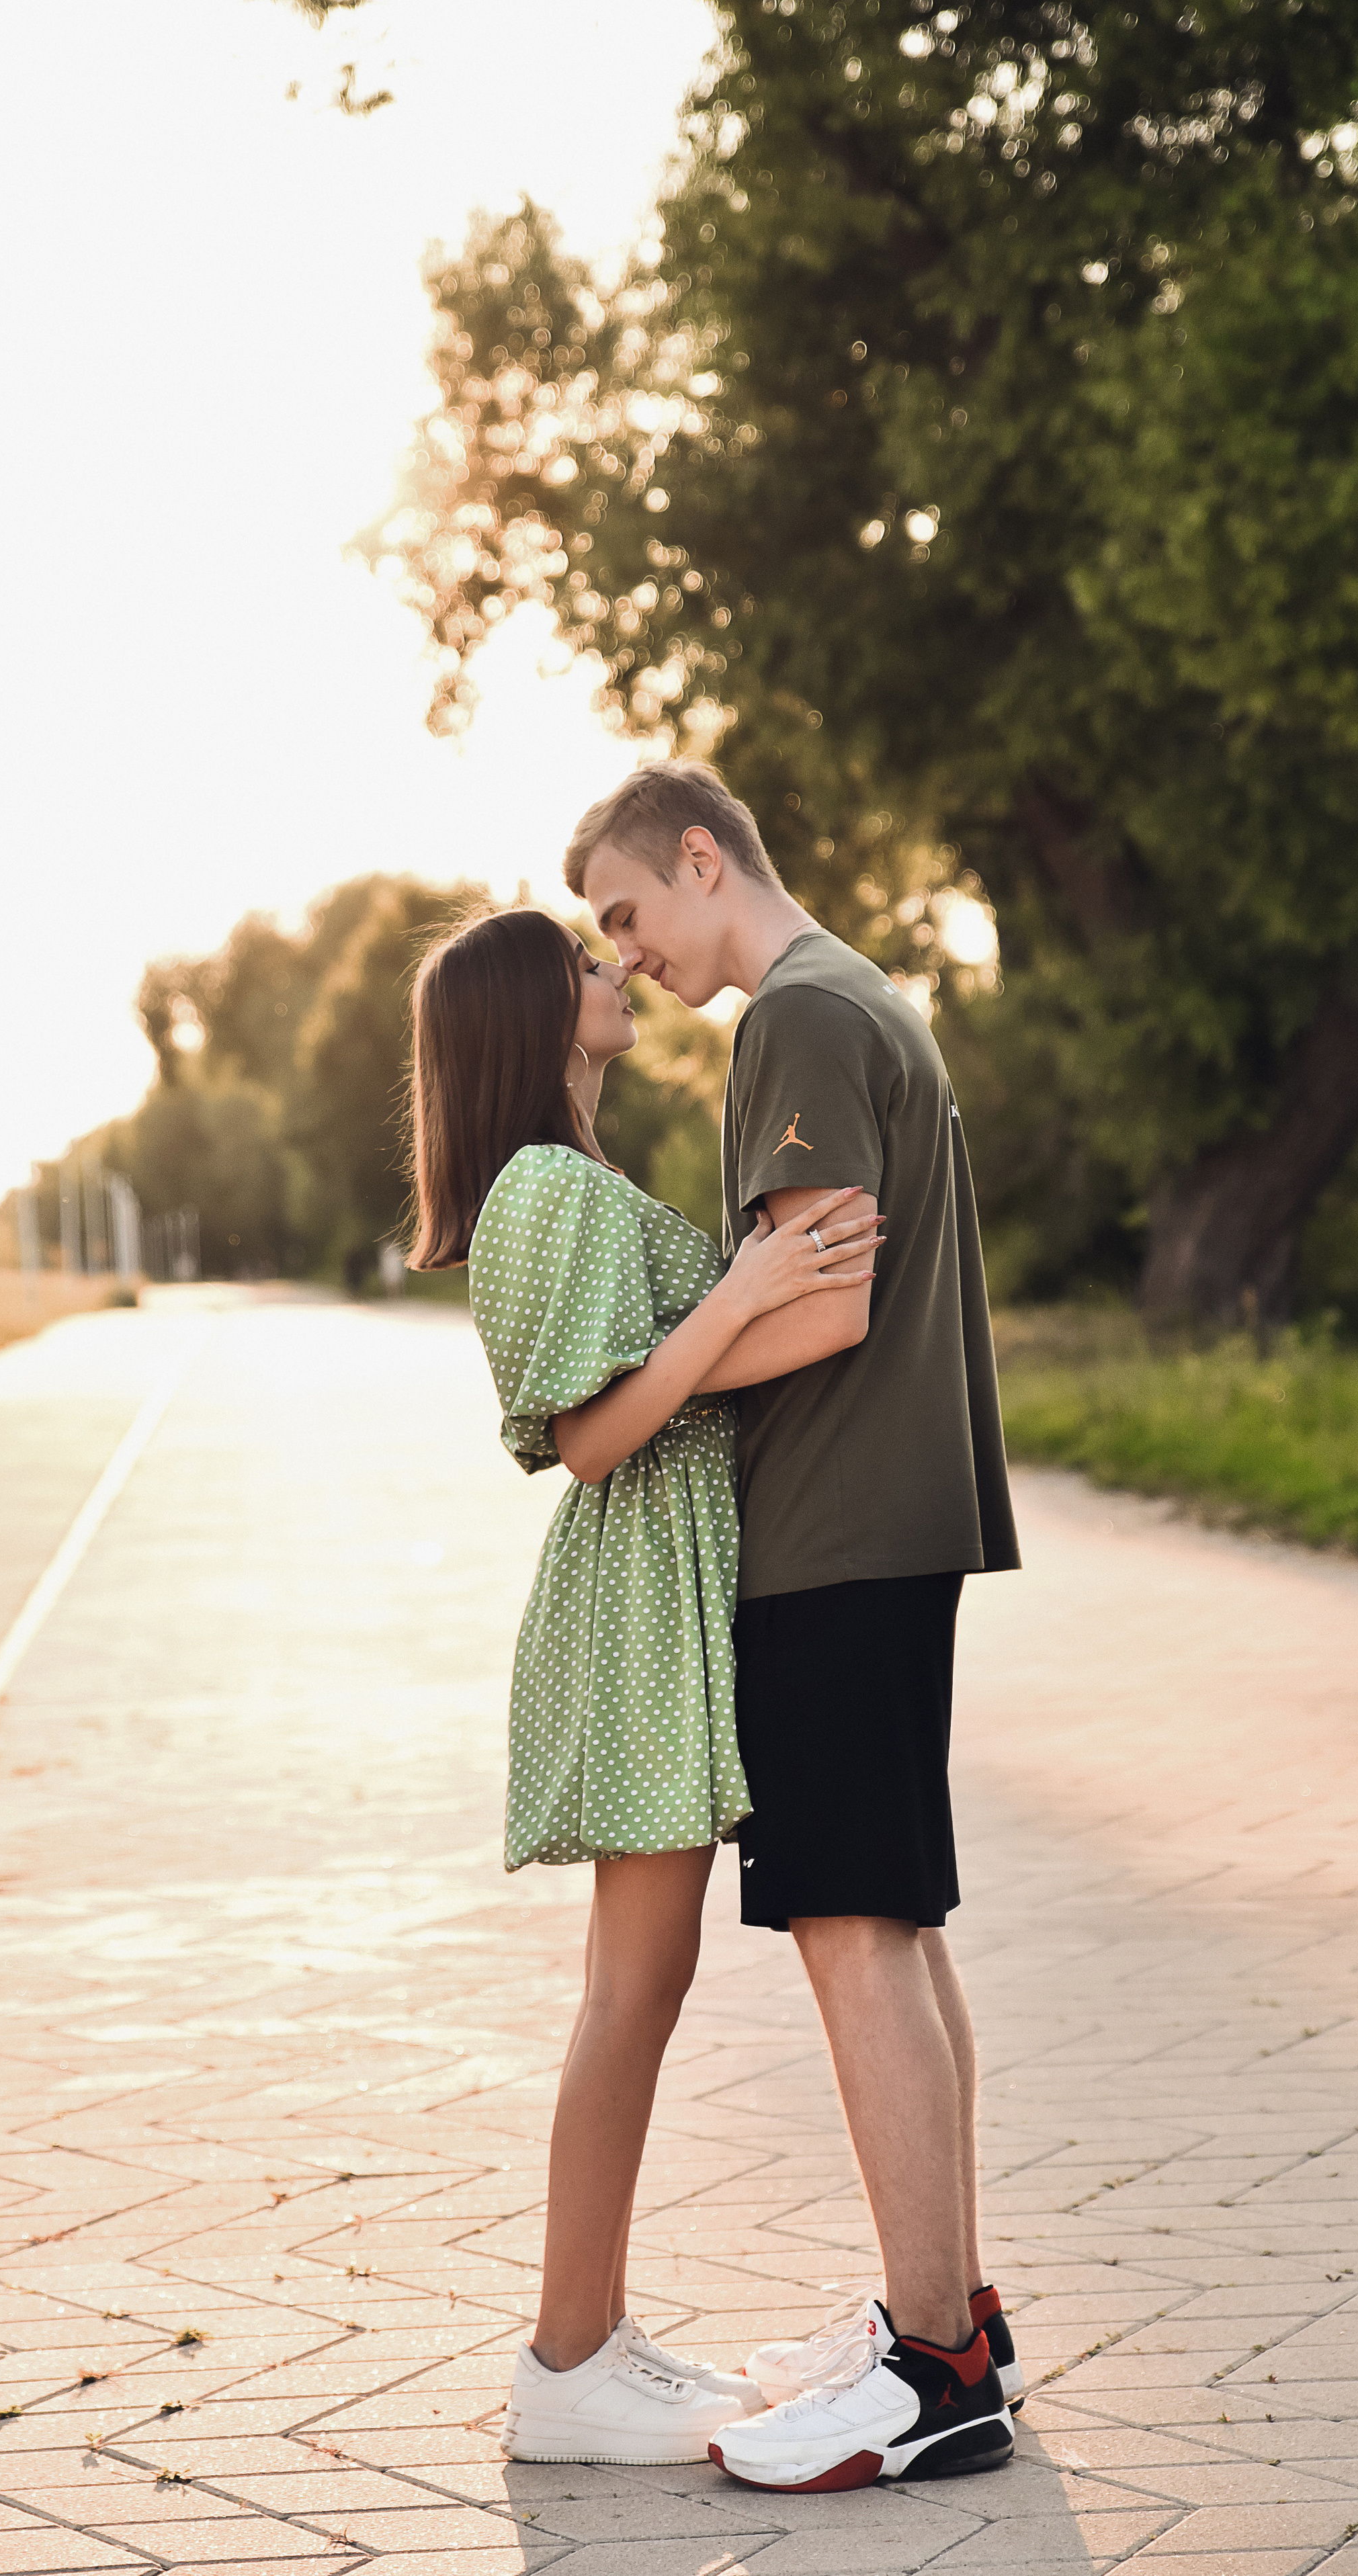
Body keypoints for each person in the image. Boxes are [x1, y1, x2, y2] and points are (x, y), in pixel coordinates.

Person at [564, 759, 1024, 2495]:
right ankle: (950, 2325)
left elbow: (821, 1300)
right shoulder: (861, 995)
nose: (626, 956)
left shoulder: (801, 1017)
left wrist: (633, 1390)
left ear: (702, 858)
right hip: (886, 1526)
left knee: (853, 1929)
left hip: (834, 1534)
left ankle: (932, 2373)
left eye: (626, 913)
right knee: (893, 1925)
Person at [405, 904, 880, 2466]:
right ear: (526, 1014)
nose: (612, 968)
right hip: (631, 1589)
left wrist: (763, 1298)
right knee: (631, 1988)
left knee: (643, 1981)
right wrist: (742, 1295)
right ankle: (562, 2363)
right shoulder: (542, 1188)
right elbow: (593, 1435)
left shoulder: (568, 1177)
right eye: (580, 958)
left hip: (665, 1578)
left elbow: (664, 1380)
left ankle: (593, 2340)